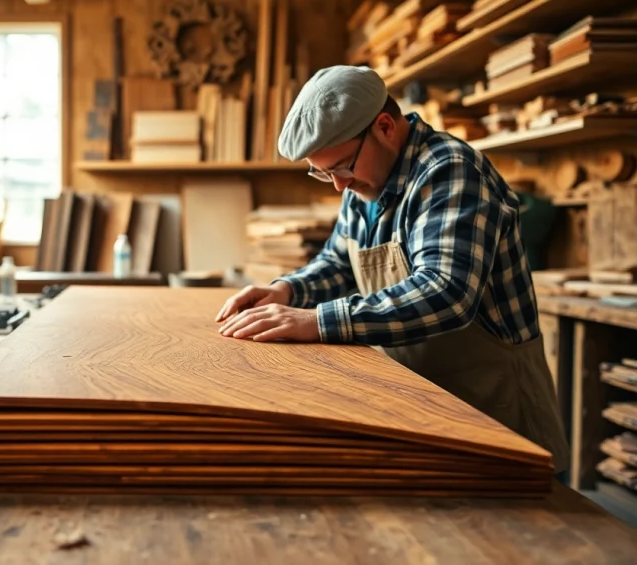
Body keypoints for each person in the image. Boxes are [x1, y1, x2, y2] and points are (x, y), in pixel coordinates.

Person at [215, 65, 570, 473]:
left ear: (384, 126)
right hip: (425, 394)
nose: (337, 186)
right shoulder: (364, 182)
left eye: (343, 167)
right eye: (323, 172)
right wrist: (288, 291)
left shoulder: (450, 171)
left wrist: (318, 320)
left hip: (494, 400)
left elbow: (446, 292)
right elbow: (339, 263)